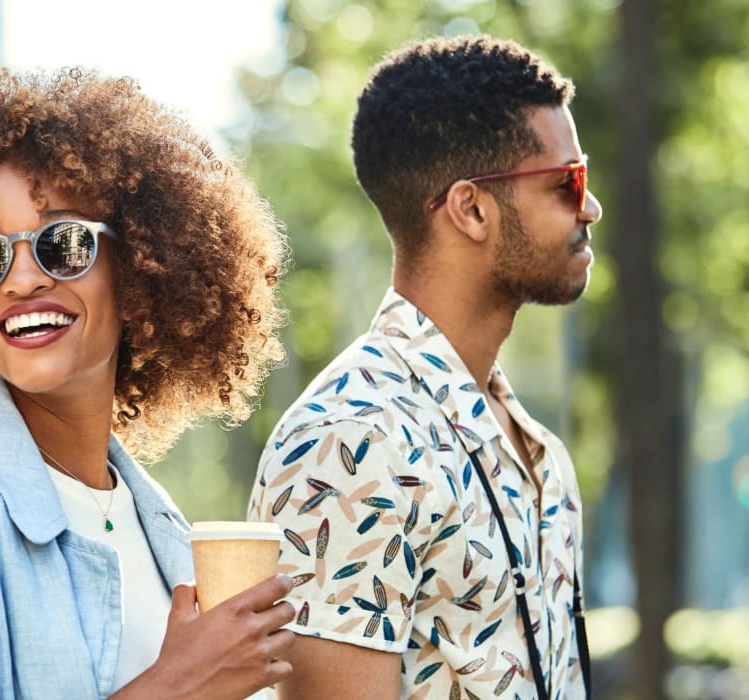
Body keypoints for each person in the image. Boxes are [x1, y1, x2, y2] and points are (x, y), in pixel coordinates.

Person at [0, 67, 295, 699]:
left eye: (64, 243)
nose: (20, 280)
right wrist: (180, 686)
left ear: (137, 265)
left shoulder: (157, 522)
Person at [248, 36, 602, 700]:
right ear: (471, 209)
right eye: (567, 182)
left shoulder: (536, 451)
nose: (590, 207)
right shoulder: (350, 443)